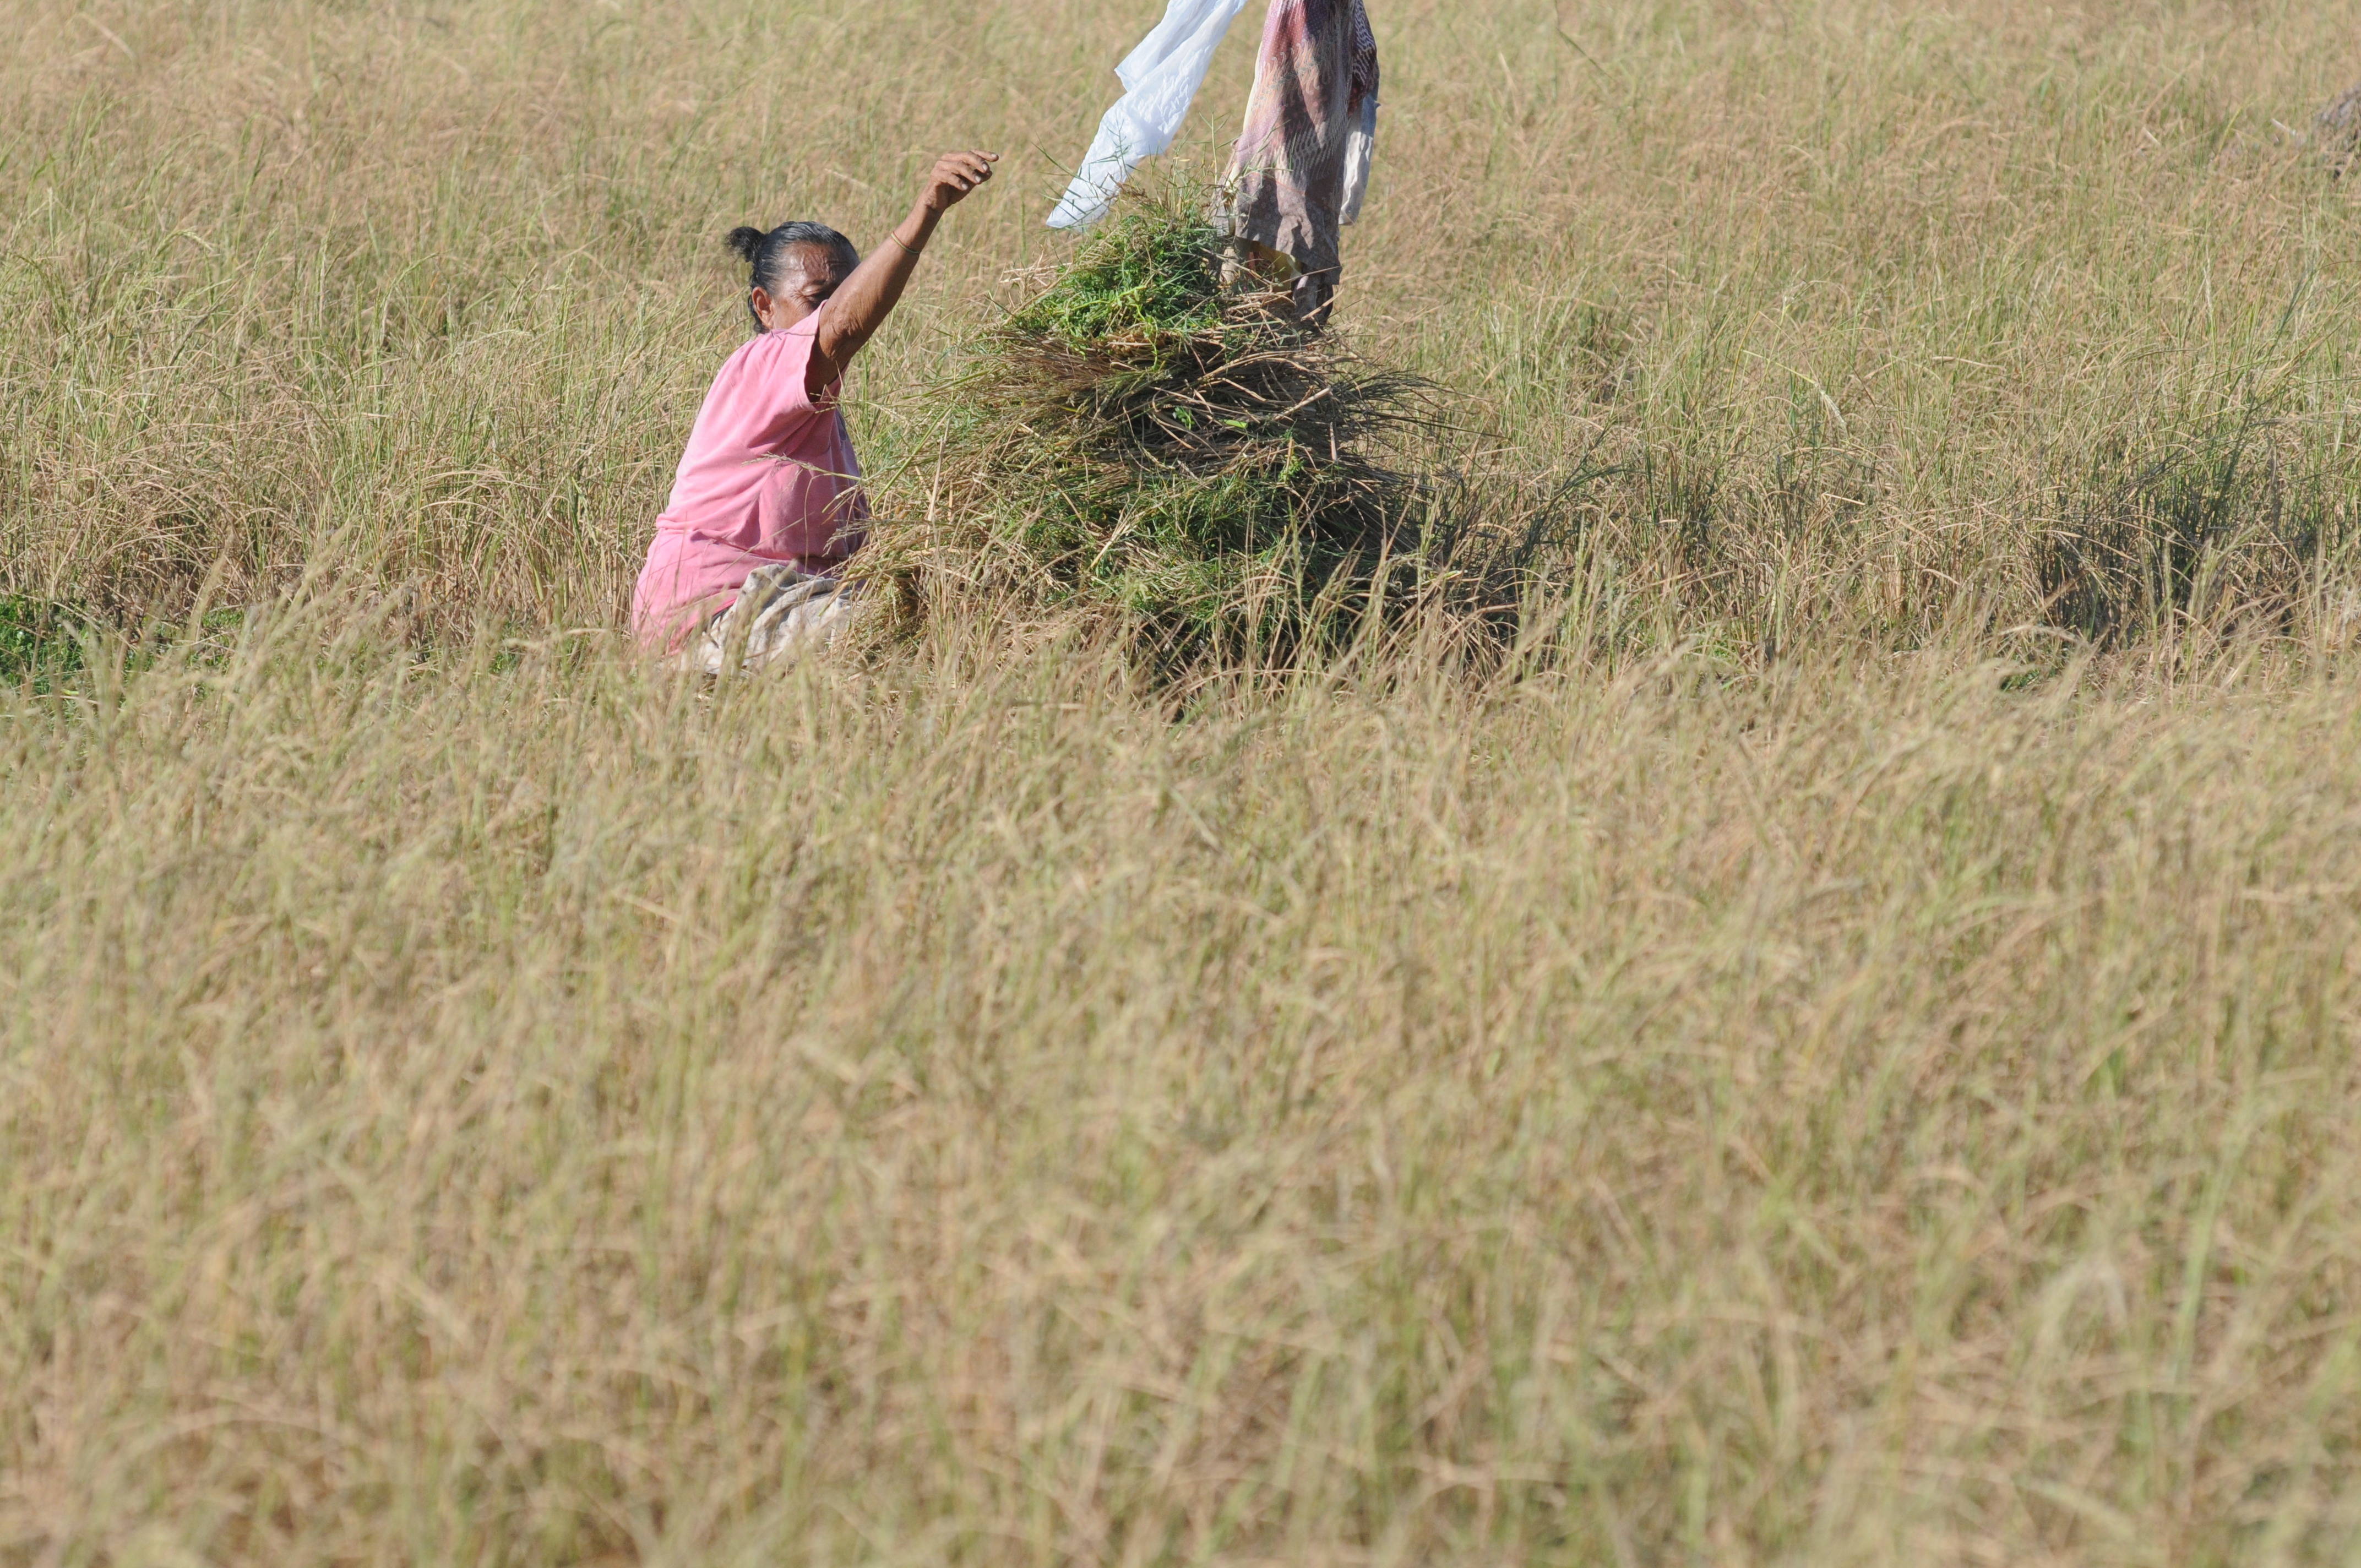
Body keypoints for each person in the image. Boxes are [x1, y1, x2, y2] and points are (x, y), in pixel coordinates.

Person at [632, 150, 1000, 668]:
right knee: (887, 635)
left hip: (788, 597)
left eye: (848, 291)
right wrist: (928, 210)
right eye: (817, 298)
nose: (838, 309)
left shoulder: (818, 399)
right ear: (765, 307)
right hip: (719, 606)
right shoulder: (762, 364)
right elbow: (846, 326)